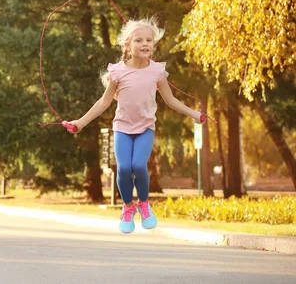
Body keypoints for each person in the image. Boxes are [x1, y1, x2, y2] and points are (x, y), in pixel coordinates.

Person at [67, 17, 205, 234]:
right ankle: (128, 208)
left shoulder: (157, 71)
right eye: (139, 40)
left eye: (149, 40)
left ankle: (144, 204)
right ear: (127, 45)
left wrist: (194, 114)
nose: (145, 44)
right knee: (123, 168)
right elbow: (104, 102)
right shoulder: (118, 72)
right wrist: (81, 122)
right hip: (122, 128)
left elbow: (171, 100)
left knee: (139, 166)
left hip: (145, 129)